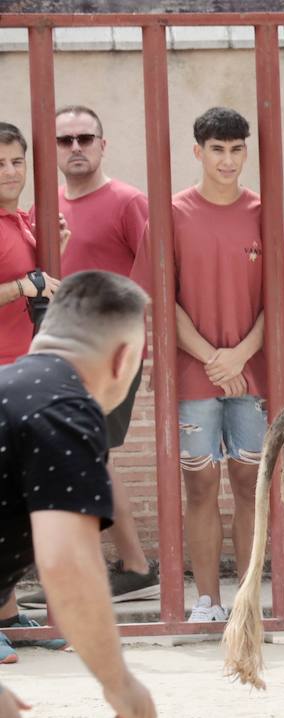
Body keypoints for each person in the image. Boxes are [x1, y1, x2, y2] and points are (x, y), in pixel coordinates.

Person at [0, 271, 158, 718]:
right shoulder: (67, 408)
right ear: (124, 359)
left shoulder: (15, 386)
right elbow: (67, 564)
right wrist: (117, 682)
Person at [131, 107, 284, 624]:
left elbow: (279, 299)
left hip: (251, 377)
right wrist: (213, 358)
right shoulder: (171, 214)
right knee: (201, 486)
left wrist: (239, 356)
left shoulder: (266, 215)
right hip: (193, 376)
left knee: (251, 487)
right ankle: (207, 602)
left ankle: (248, 597)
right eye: (217, 150)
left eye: (236, 149)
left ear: (246, 152)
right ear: (197, 152)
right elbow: (161, 298)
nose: (227, 160)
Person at [20, 105, 159, 615]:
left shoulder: (128, 202)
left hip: (111, 348)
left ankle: (127, 567)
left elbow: (155, 273)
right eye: (64, 141)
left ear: (103, 144)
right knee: (84, 454)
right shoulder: (45, 206)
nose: (75, 147)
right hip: (60, 350)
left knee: (89, 453)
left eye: (85, 138)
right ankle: (126, 567)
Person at [0, 121, 65, 635]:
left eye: (17, 161)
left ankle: (7, 612)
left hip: (24, 374)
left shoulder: (22, 220)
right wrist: (21, 283)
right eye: (0, 163)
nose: (10, 171)